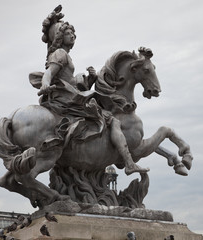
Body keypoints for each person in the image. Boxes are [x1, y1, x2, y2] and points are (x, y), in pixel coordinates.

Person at [30, 5, 148, 175]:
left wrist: (90, 80)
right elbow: (49, 72)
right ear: (60, 37)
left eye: (73, 33)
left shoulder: (63, 54)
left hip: (71, 96)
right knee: (112, 120)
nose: (73, 36)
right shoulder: (60, 54)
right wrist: (45, 84)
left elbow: (71, 82)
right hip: (66, 100)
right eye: (68, 33)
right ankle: (129, 163)